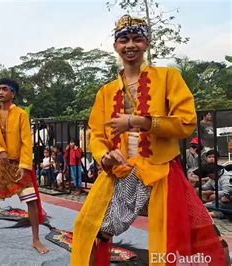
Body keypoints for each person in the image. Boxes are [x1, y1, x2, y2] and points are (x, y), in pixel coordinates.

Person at [71, 15, 226, 264]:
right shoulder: (106, 92)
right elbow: (96, 134)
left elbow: (186, 122)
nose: (130, 45)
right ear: (116, 46)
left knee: (179, 236)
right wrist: (104, 156)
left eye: (137, 39)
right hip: (121, 172)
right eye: (124, 39)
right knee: (89, 228)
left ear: (146, 44)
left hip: (161, 171)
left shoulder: (168, 77)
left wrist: (139, 121)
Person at [0, 78, 48, 254]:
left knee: (32, 200)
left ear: (12, 93)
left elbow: (26, 142)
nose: (0, 92)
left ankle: (36, 239)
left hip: (19, 163)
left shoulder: (21, 114)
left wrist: (24, 165)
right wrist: (0, 150)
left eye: (4, 89)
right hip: (1, 162)